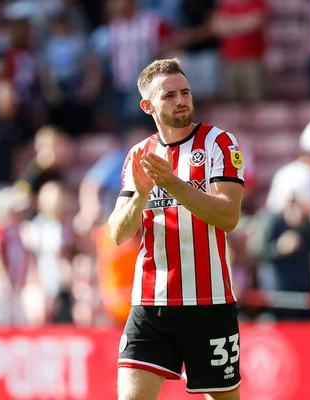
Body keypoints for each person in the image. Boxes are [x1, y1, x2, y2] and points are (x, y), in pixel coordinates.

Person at [108, 58, 244, 399]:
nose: (181, 100)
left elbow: (228, 216)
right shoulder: (139, 154)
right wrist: (140, 195)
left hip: (209, 302)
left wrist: (172, 183)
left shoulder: (219, 143)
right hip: (151, 302)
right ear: (147, 105)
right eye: (169, 95)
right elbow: (117, 233)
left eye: (185, 92)